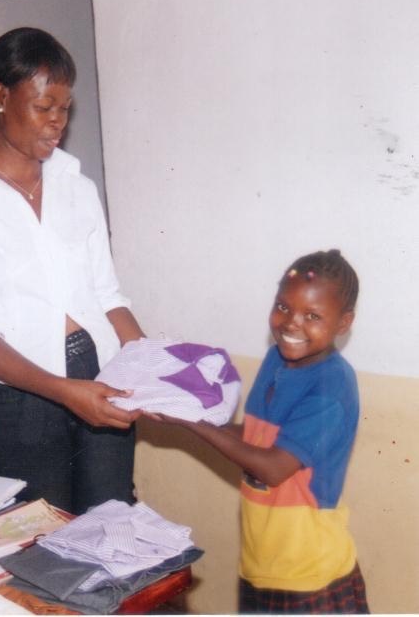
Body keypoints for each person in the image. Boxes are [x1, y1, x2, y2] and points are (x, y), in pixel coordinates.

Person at [0, 28, 145, 515]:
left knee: (111, 525)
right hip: (19, 396)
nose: (56, 123)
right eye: (44, 107)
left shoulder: (76, 185)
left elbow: (108, 295)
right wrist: (65, 392)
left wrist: (152, 368)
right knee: (40, 537)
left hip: (98, 370)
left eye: (64, 109)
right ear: (1, 97)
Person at [150, 249, 368, 613]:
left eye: (312, 315)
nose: (291, 324)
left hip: (308, 574)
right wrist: (183, 409)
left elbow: (271, 467)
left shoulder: (332, 385)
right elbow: (255, 439)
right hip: (262, 564)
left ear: (344, 323)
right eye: (283, 307)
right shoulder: (277, 360)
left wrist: (193, 422)